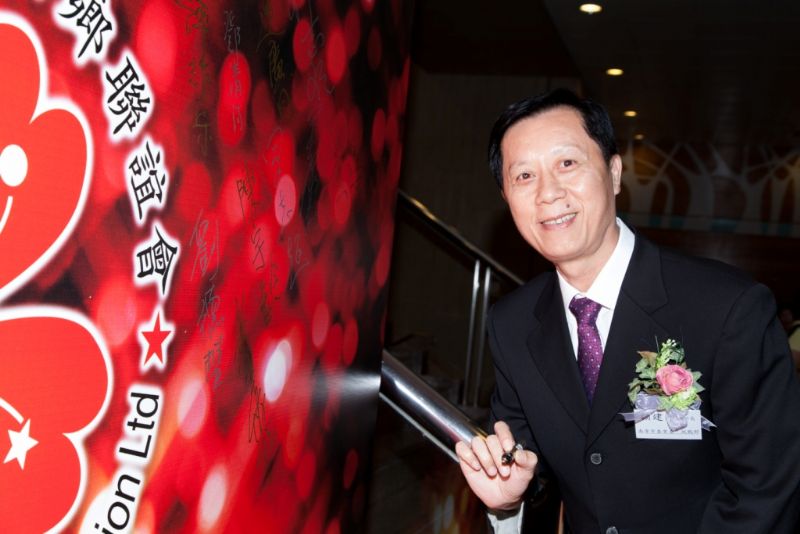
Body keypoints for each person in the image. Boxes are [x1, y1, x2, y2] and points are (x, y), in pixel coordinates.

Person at [455, 88, 800, 534]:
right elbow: (527, 463)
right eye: (524, 175)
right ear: (507, 197)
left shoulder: (726, 307)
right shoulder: (512, 324)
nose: (548, 193)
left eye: (567, 163)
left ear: (614, 173)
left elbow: (767, 488)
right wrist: (510, 499)